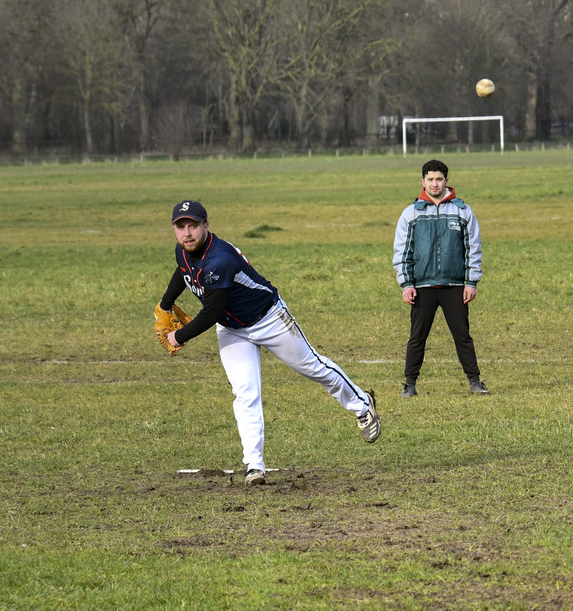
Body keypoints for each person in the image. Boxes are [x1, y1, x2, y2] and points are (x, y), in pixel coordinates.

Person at [157, 200, 380, 485]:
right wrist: (166, 305)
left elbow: (211, 312)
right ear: (174, 230)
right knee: (245, 393)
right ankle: (254, 465)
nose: (187, 233)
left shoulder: (219, 258)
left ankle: (362, 405)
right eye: (181, 227)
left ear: (206, 226)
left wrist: (178, 335)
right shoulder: (183, 249)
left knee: (314, 368)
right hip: (232, 329)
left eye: (193, 226)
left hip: (269, 319)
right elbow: (182, 270)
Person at [392, 159, 487, 397]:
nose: (435, 184)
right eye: (430, 179)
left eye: (439, 179)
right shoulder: (411, 213)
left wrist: (471, 281)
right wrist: (406, 284)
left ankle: (475, 381)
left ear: (447, 181)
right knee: (417, 337)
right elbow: (403, 251)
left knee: (462, 336)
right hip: (422, 287)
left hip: (455, 285)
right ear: (422, 181)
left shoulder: (463, 211)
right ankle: (410, 384)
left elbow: (473, 247)